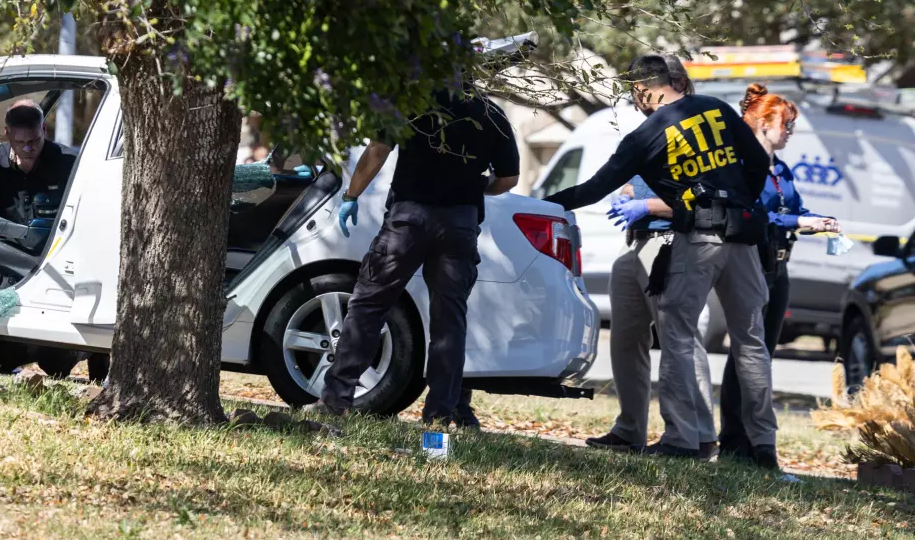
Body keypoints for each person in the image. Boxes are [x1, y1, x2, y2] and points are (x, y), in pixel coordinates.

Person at [546, 54, 780, 468]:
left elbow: (592, 190)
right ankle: (764, 446)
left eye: (634, 93)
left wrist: (539, 204)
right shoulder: (716, 108)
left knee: (677, 332)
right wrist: (739, 199)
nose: (636, 102)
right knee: (750, 342)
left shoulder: (646, 135)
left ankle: (683, 438)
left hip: (698, 239)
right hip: (743, 237)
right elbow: (759, 163)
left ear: (643, 88)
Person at [306, 85, 521, 426]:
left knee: (368, 305)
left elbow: (377, 151)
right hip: (460, 225)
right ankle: (440, 414)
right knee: (449, 322)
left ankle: (336, 400)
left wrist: (350, 196)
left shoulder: (410, 100)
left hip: (408, 221)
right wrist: (476, 187)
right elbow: (508, 179)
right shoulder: (490, 112)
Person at [584, 60, 716, 459]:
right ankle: (629, 430)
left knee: (680, 341)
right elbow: (636, 175)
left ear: (675, 83)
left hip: (674, 243)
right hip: (636, 243)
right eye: (634, 90)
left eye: (643, 89)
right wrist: (627, 194)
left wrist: (650, 206)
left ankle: (696, 434)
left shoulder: (700, 128)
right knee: (625, 341)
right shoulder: (649, 127)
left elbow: (702, 196)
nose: (637, 97)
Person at [718, 83, 840, 459]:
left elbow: (794, 207)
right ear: (764, 124)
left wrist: (815, 219)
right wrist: (795, 221)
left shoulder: (781, 169)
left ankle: (752, 439)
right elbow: (754, 213)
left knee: (764, 351)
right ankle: (735, 439)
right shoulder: (745, 164)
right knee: (746, 351)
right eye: (785, 125)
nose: (789, 132)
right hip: (752, 261)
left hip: (779, 265)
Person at [0, 99, 76, 228]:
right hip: (0, 245)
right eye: (20, 142)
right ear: (7, 133)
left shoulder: (69, 164)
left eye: (34, 141)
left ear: (44, 129)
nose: (27, 148)